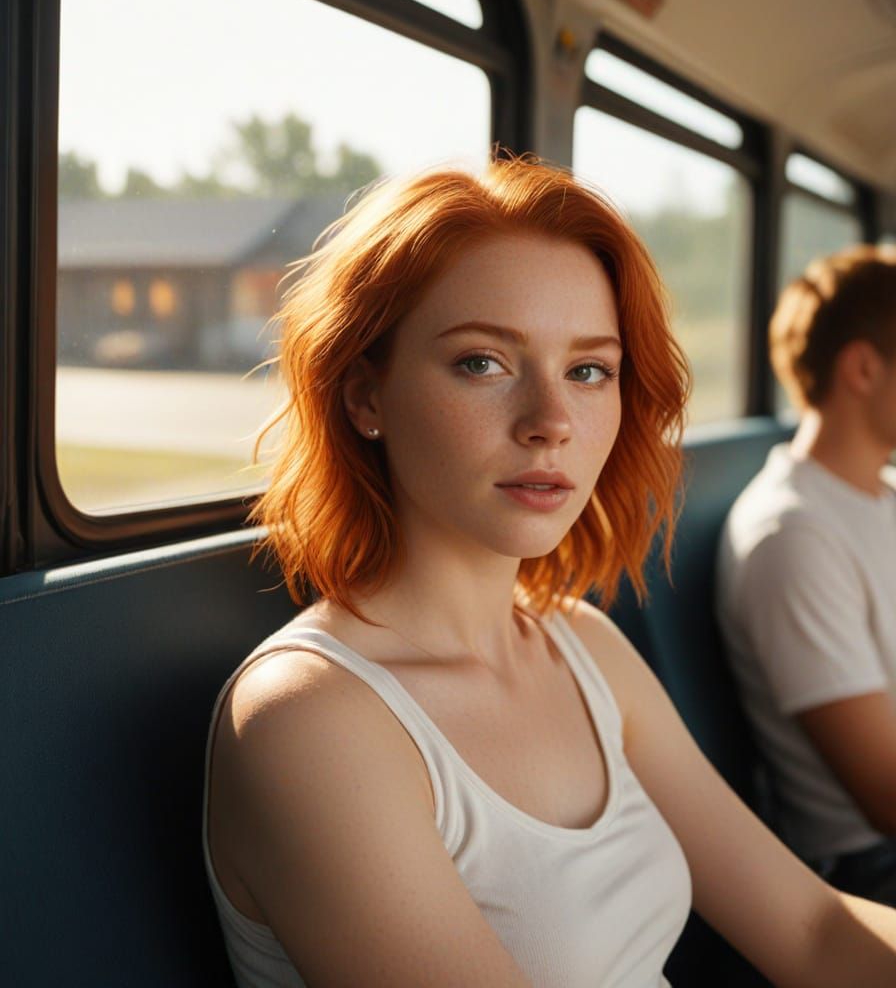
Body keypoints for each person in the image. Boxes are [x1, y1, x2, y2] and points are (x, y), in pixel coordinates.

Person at [204, 162, 896, 988]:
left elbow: (813, 928)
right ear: (365, 397)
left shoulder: (581, 642)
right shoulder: (312, 720)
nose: (551, 423)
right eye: (482, 364)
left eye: (588, 370)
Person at [716, 245, 896, 908]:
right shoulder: (791, 536)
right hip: (867, 864)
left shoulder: (881, 493)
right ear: (864, 367)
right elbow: (884, 798)